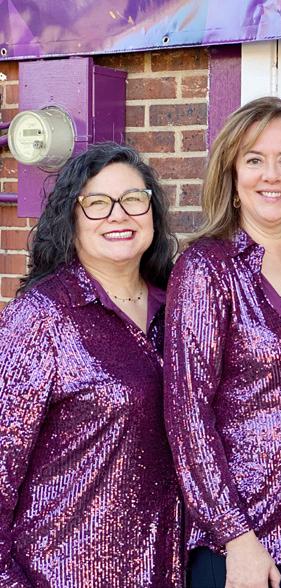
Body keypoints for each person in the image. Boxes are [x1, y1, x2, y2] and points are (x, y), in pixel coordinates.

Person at [164, 97, 281, 588]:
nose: (272, 175)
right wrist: (235, 535)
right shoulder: (207, 268)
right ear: (233, 174)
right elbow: (187, 414)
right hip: (241, 546)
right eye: (254, 160)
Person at [0, 143, 181, 586]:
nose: (119, 215)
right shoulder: (42, 316)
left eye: (134, 199)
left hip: (164, 569)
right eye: (97, 203)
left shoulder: (180, 309)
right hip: (60, 571)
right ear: (72, 218)